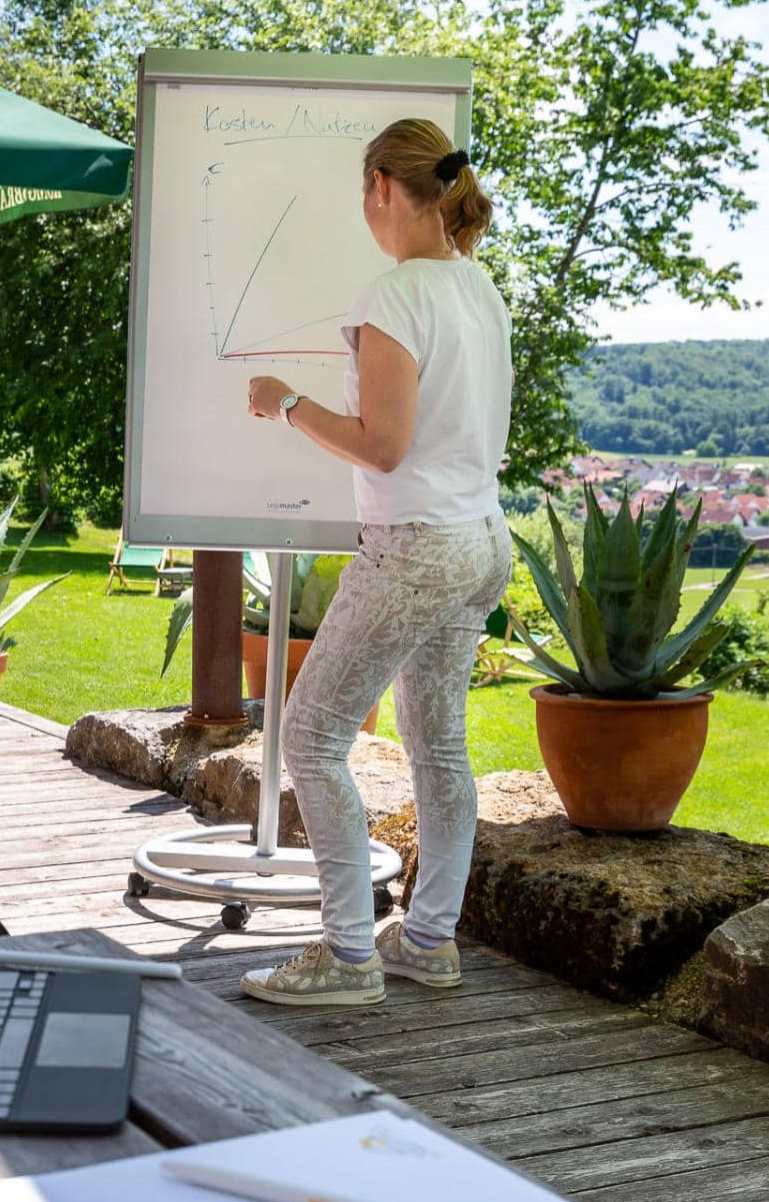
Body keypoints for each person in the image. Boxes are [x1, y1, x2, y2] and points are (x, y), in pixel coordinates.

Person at [237, 118, 513, 1007]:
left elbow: (382, 446)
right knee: (438, 742)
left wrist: (287, 405)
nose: (364, 211)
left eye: (366, 194)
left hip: (416, 547)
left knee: (311, 737)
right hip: (481, 542)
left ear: (386, 190)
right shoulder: (482, 291)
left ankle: (349, 956)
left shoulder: (394, 298)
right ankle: (428, 941)